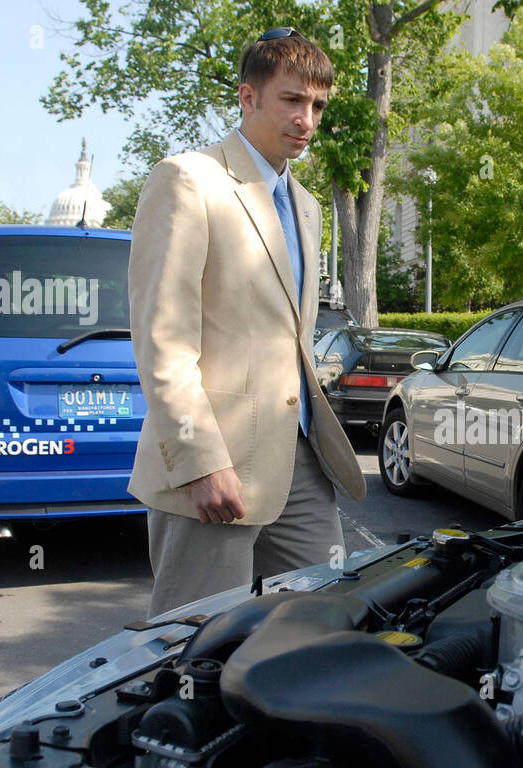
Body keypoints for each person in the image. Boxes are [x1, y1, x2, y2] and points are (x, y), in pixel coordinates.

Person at [129, 28, 365, 617]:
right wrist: (201, 461)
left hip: (301, 460)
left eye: (317, 106)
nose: (306, 119)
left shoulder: (306, 205)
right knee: (196, 645)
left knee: (322, 621)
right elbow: (164, 341)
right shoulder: (188, 180)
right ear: (248, 97)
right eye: (291, 100)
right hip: (216, 462)